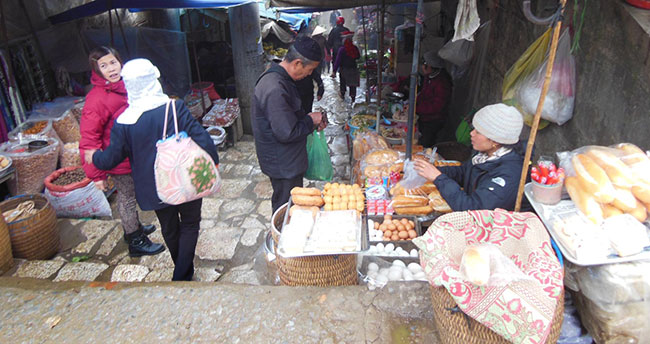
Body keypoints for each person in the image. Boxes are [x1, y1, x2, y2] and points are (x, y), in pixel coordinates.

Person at [86, 58, 219, 281]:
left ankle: (182, 270)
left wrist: (95, 158)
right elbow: (201, 136)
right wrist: (213, 160)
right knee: (189, 223)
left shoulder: (124, 121)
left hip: (154, 185)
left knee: (169, 227)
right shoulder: (173, 107)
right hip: (185, 176)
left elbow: (111, 158)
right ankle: (182, 275)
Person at [79, 46, 163, 257]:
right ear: (97, 70)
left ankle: (132, 228)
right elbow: (89, 138)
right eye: (104, 65)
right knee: (126, 198)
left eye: (113, 62)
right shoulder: (97, 99)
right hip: (118, 159)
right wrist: (97, 175)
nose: (111, 69)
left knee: (131, 195)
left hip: (133, 154)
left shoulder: (126, 86)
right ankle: (135, 240)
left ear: (120, 62)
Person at [252, 37, 327, 213]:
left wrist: (311, 120)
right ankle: (281, 237)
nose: (310, 74)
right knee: (286, 208)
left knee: (288, 204)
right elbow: (286, 132)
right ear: (298, 63)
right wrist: (310, 120)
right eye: (310, 70)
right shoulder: (275, 88)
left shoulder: (281, 79)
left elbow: (287, 117)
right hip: (283, 163)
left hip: (286, 159)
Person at [413, 103, 524, 211]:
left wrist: (438, 178)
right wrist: (430, 171)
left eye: (478, 132)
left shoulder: (509, 175)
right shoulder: (485, 155)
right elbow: (464, 172)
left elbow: (473, 209)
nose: (471, 133)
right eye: (474, 128)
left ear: (495, 140)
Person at [416, 50, 452, 148]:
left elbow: (437, 106)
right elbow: (423, 93)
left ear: (431, 67)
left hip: (434, 120)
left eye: (424, 65)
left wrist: (417, 109)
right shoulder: (429, 76)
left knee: (426, 143)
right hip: (424, 117)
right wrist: (415, 102)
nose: (422, 67)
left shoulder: (442, 83)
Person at [332, 31, 361, 102]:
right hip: (353, 69)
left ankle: (342, 97)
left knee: (343, 84)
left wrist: (334, 71)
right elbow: (358, 57)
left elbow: (338, 60)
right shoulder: (354, 48)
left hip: (344, 69)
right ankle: (353, 100)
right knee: (353, 85)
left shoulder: (342, 49)